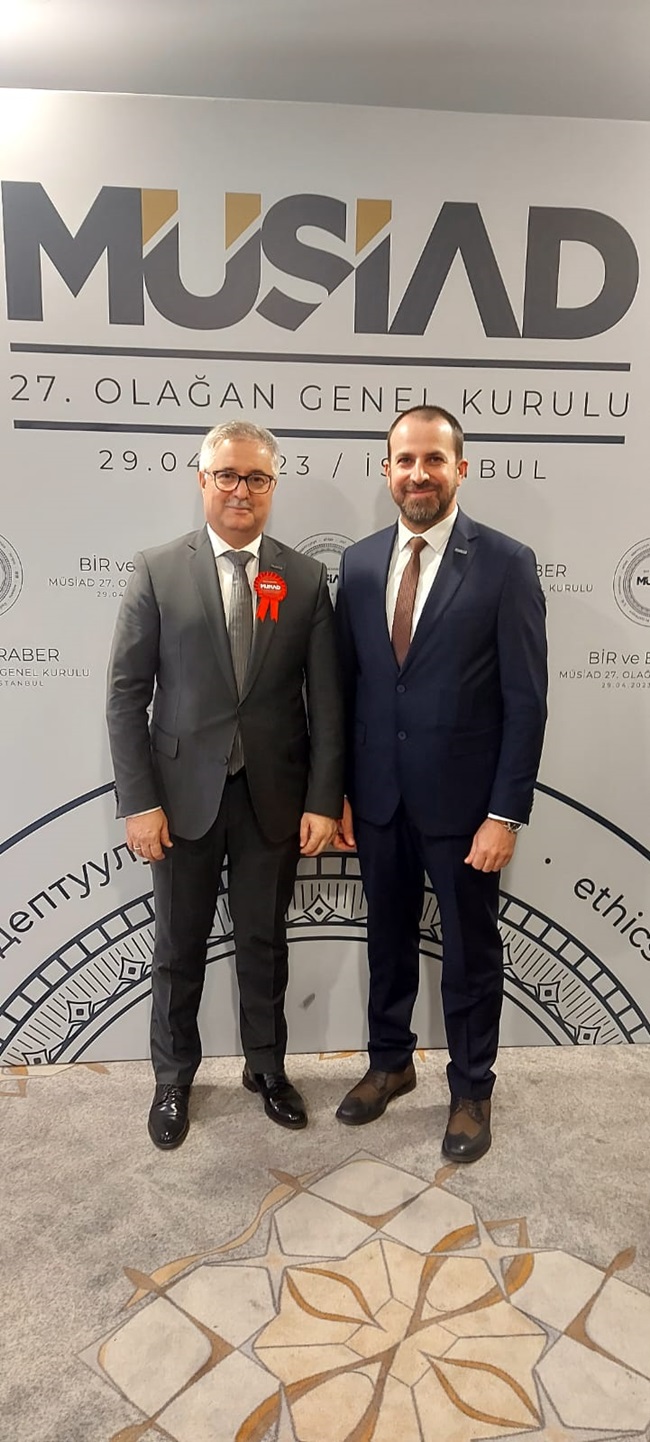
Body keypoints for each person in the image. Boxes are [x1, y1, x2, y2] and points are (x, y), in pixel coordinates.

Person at [106, 420, 344, 1148]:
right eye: (229, 475)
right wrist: (139, 801)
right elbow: (125, 696)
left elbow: (327, 703)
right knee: (178, 946)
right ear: (203, 480)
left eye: (257, 478)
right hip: (180, 799)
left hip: (274, 797)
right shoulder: (157, 570)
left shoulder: (305, 579)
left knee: (265, 943)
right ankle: (173, 1078)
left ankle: (266, 1069)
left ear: (273, 486)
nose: (243, 490)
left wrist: (322, 800)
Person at [334, 405, 547, 1162]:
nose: (417, 474)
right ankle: (389, 1064)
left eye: (432, 460)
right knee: (385, 941)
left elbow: (526, 702)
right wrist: (342, 795)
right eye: (404, 460)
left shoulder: (506, 563)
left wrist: (505, 814)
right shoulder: (359, 563)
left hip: (467, 810)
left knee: (470, 953)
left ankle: (471, 1089)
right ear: (386, 471)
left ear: (460, 468)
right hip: (378, 801)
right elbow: (349, 688)